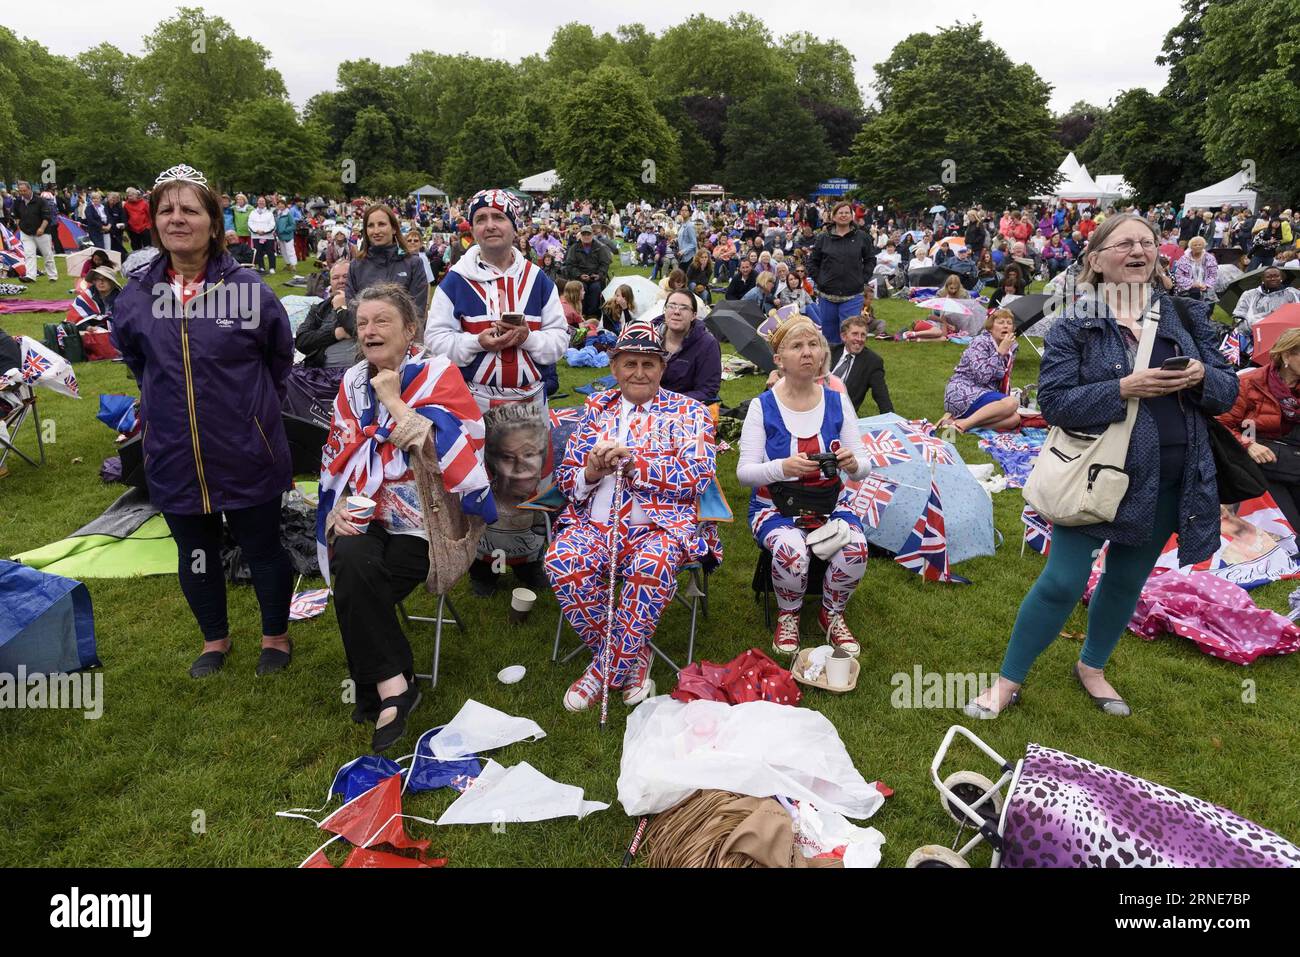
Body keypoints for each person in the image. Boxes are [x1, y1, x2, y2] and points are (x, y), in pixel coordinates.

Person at [965, 213, 1238, 719]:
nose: (1138, 251)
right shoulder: (1075, 322)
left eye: (1147, 242)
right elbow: (1055, 401)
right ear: (1095, 259)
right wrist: (1122, 389)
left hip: (1172, 475)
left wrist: (1202, 376)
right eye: (1123, 244)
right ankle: (1007, 681)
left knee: (1126, 579)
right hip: (1097, 475)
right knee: (1063, 582)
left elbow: (1228, 393)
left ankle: (1092, 667)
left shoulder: (1187, 314)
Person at [109, 164, 295, 679]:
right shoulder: (136, 296)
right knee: (195, 551)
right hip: (173, 450)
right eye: (167, 209)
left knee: (262, 547)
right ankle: (215, 640)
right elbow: (137, 362)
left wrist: (251, 413)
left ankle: (275, 636)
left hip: (246, 447)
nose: (177, 218)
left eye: (190, 209)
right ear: (155, 222)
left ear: (214, 223)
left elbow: (280, 358)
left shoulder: (250, 290)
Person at [320, 284, 495, 750]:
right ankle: (395, 685)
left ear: (411, 329)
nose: (369, 331)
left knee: (359, 583)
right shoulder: (352, 382)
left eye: (381, 321)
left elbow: (453, 460)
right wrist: (339, 508)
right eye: (361, 323)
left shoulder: (440, 375)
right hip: (368, 514)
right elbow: (339, 453)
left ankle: (372, 681)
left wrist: (396, 402)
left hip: (427, 525)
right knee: (354, 558)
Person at [544, 321, 717, 711]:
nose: (639, 372)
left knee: (652, 566)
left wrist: (640, 468)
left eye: (649, 364)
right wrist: (591, 472)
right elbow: (568, 478)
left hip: (660, 526)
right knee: (560, 562)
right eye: (629, 363)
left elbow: (698, 476)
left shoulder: (689, 412)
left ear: (663, 367)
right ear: (615, 365)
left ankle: (603, 669)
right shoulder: (596, 408)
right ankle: (633, 657)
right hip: (596, 524)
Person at [427, 188, 570, 597]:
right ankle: (483, 565)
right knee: (480, 482)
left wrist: (526, 339)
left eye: (499, 217)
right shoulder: (455, 280)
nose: (490, 224)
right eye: (482, 218)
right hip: (477, 398)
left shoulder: (537, 279)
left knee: (526, 481)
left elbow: (560, 338)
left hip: (527, 397)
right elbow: (435, 341)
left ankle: (526, 560)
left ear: (514, 225)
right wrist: (476, 344)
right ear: (472, 228)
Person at [737, 316, 871, 656]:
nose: (808, 352)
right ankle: (790, 614)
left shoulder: (838, 401)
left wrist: (853, 463)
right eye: (797, 346)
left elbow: (863, 468)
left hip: (830, 503)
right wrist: (783, 467)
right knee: (790, 551)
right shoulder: (762, 406)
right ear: (779, 359)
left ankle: (832, 613)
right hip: (775, 507)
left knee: (856, 548)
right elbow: (744, 473)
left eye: (814, 345)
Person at [1217, 328, 1300, 531]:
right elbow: (1219, 425)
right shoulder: (1249, 383)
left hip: (1292, 463)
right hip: (1261, 467)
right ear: (1286, 355)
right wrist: (1248, 444)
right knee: (1289, 528)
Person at [939, 309, 1021, 432]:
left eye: (1009, 323)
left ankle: (957, 422)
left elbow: (1003, 375)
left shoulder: (1011, 347)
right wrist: (999, 353)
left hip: (985, 392)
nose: (1005, 326)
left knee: (1015, 419)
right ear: (991, 327)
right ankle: (963, 426)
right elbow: (982, 377)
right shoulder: (980, 342)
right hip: (963, 390)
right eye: (1001, 322)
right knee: (1012, 403)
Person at [809, 201, 875, 348]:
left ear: (852, 216)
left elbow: (870, 259)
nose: (843, 215)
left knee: (850, 334)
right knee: (829, 337)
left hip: (852, 295)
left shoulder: (862, 237)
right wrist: (820, 280)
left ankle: (851, 367)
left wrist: (862, 279)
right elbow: (812, 262)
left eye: (847, 212)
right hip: (827, 295)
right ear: (833, 216)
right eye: (840, 212)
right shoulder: (823, 238)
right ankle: (830, 367)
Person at [346, 205, 428, 315]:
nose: (376, 231)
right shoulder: (356, 266)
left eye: (381, 224)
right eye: (370, 226)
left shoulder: (413, 263)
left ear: (394, 228)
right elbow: (351, 310)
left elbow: (418, 311)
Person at [659, 289, 722, 406]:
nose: (676, 311)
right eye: (671, 306)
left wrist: (668, 401)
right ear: (665, 310)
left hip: (684, 409)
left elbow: (708, 391)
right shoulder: (649, 336)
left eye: (684, 308)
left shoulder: (707, 344)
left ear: (693, 316)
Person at [295, 260, 357, 368]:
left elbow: (358, 330)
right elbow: (301, 341)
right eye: (335, 278)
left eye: (345, 276)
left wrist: (340, 308)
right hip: (321, 371)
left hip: (355, 372)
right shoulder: (319, 309)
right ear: (330, 282)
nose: (341, 281)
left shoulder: (365, 305)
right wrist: (335, 334)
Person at [830, 314, 893, 415]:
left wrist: (891, 419)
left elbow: (881, 395)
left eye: (863, 335)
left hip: (841, 415)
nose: (859, 339)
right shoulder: (830, 352)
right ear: (844, 336)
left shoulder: (872, 362)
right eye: (855, 334)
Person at [562, 223, 612, 318]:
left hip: (595, 277)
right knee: (581, 288)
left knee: (596, 288)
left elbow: (605, 264)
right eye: (584, 234)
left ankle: (593, 314)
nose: (586, 236)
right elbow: (569, 265)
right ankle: (581, 313)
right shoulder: (574, 248)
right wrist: (579, 275)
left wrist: (599, 275)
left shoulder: (600, 247)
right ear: (580, 235)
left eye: (588, 234)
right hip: (579, 277)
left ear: (592, 235)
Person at [13, 180, 57, 282]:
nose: (22, 193)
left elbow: (47, 217)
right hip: (26, 233)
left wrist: (41, 228)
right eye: (20, 191)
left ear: (30, 189)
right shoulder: (18, 201)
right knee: (29, 254)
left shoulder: (41, 201)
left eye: (24, 190)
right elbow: (17, 216)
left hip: (42, 232)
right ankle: (30, 276)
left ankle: (52, 276)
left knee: (47, 254)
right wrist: (19, 226)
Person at [1173, 235, 1218, 301]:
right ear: (1191, 247)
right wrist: (1192, 284)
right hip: (1187, 291)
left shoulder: (1210, 258)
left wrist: (1206, 285)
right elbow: (1178, 276)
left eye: (1200, 245)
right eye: (1195, 245)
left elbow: (1213, 275)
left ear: (1203, 246)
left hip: (1206, 291)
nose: (1197, 246)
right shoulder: (1184, 259)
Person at [247, 196, 277, 274]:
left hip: (268, 236)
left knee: (270, 252)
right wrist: (256, 231)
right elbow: (250, 223)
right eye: (259, 201)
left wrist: (264, 231)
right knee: (258, 252)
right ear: (257, 202)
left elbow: (272, 224)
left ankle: (272, 267)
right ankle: (261, 267)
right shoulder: (252, 212)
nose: (261, 202)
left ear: (265, 203)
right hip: (256, 236)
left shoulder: (269, 213)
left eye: (263, 201)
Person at [123, 187, 152, 251]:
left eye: (131, 196)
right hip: (133, 230)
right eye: (128, 196)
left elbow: (150, 215)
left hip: (144, 228)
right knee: (136, 248)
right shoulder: (126, 205)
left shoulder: (144, 203)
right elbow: (125, 217)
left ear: (136, 195)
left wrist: (148, 226)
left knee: (148, 247)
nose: (129, 197)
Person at [275, 198, 298, 272]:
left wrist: (285, 230)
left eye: (282, 204)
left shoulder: (288, 213)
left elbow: (293, 225)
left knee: (290, 251)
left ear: (285, 205)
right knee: (283, 251)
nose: (280, 206)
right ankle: (288, 265)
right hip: (280, 236)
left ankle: (293, 265)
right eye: (279, 204)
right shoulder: (278, 214)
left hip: (288, 236)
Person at [105, 192, 128, 256]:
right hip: (107, 232)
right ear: (108, 198)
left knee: (118, 250)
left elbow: (124, 220)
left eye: (115, 199)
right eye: (112, 199)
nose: (113, 201)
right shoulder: (104, 206)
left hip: (118, 232)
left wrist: (124, 225)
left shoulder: (120, 207)